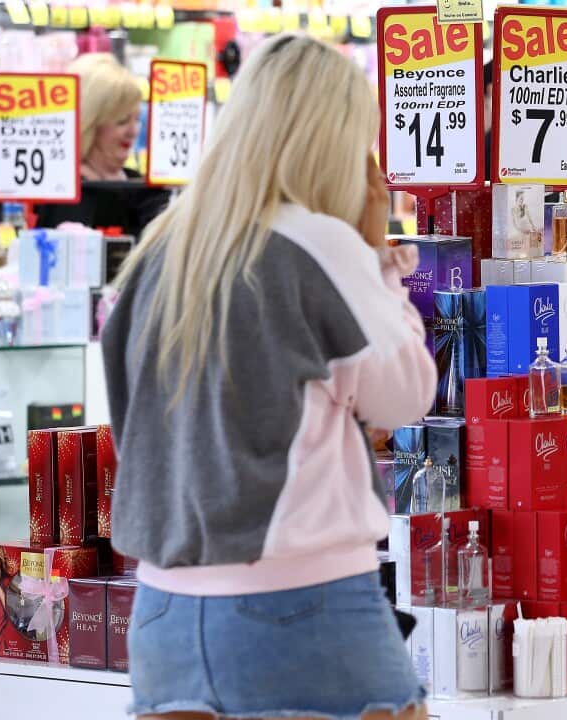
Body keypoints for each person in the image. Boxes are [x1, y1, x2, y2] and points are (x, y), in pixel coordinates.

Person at [101, 35, 434, 720]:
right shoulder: (320, 242)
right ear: (335, 141)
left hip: (162, 617)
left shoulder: (165, 247)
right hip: (300, 604)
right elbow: (405, 396)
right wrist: (380, 257)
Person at [32, 53, 169, 237]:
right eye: (122, 121)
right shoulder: (66, 196)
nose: (133, 131)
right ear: (89, 123)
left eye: (136, 119)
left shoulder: (141, 186)